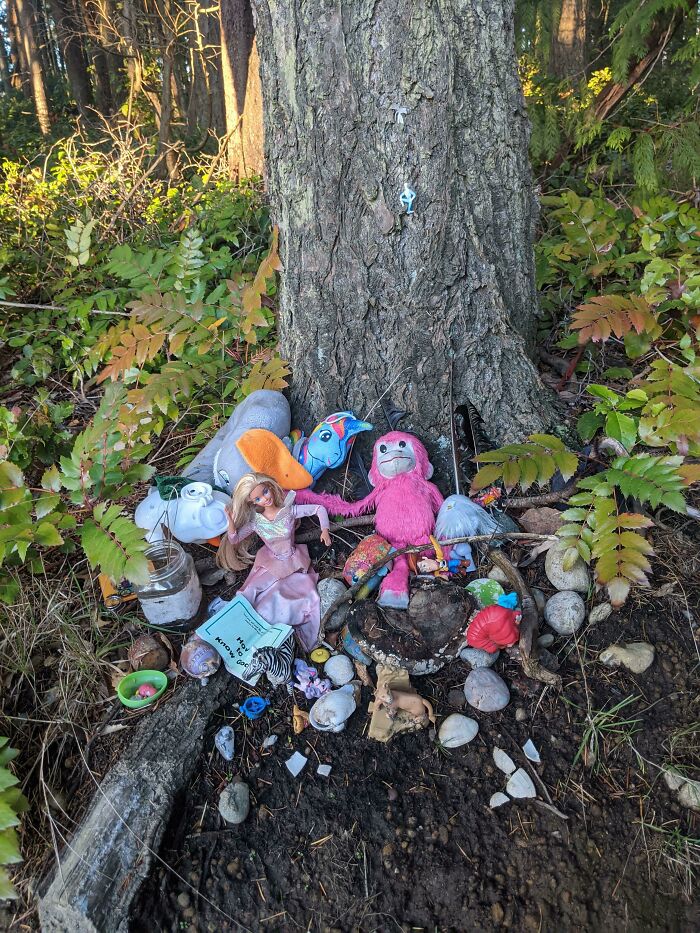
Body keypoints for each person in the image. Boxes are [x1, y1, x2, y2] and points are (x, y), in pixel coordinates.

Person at [217, 472, 331, 651]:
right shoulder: (257, 523)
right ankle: (238, 633)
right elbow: (234, 539)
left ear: (270, 487)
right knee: (251, 595)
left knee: (291, 601)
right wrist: (230, 521)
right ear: (252, 503)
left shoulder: (288, 512)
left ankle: (276, 638)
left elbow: (318, 509)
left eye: (265, 492)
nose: (264, 498)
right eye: (257, 498)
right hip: (271, 562)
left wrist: (325, 529)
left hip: (292, 562)